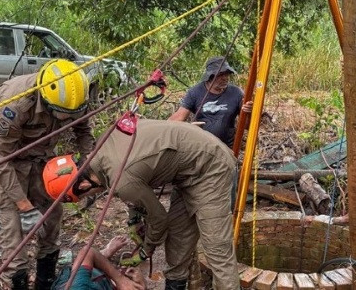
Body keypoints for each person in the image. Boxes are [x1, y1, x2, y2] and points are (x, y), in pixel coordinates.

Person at [43, 120, 240, 290]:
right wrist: (134, 222)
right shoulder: (102, 150)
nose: (91, 196)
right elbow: (136, 188)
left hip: (210, 165)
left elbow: (159, 219)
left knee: (217, 249)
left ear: (84, 185)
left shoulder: (121, 179)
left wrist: (146, 250)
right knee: (178, 242)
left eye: (85, 196)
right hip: (185, 172)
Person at [0, 59, 95, 290]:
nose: (67, 118)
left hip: (42, 158)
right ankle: (17, 280)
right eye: (62, 114)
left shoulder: (76, 97)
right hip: (6, 160)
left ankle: (45, 282)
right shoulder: (17, 104)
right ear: (45, 99)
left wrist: (90, 167)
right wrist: (24, 205)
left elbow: (83, 130)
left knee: (51, 220)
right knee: (14, 234)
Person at [168, 56, 252, 148]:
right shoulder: (195, 92)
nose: (225, 78)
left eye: (227, 74)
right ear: (210, 76)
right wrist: (189, 127)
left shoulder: (236, 93)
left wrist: (248, 113)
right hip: (202, 148)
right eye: (220, 74)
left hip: (227, 149)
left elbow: (247, 126)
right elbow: (175, 120)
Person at [52, 235, 145, 290]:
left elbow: (87, 252)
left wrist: (120, 279)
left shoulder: (79, 286)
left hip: (74, 279)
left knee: (84, 266)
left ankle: (104, 255)